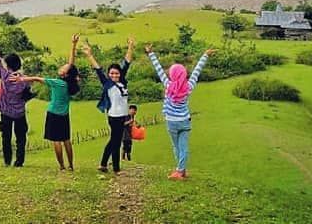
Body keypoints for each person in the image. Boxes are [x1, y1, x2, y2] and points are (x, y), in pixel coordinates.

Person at [11, 34, 82, 171]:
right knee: (66, 140)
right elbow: (71, 64)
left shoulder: (57, 83)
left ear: (64, 74)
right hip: (65, 115)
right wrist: (73, 45)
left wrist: (22, 79)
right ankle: (71, 166)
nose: (62, 67)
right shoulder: (70, 83)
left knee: (56, 141)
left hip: (54, 114)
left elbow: (37, 78)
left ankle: (61, 166)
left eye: (63, 68)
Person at [145, 44, 215, 179]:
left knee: (176, 147)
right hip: (185, 121)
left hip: (172, 122)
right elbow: (197, 71)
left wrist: (151, 53)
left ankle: (180, 170)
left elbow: (158, 69)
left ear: (172, 75)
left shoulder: (168, 85)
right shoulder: (189, 86)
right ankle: (181, 170)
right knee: (184, 147)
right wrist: (205, 55)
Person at [81, 37, 135, 173]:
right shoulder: (107, 83)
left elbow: (127, 62)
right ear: (109, 74)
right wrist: (89, 55)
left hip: (123, 116)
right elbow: (98, 69)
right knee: (116, 142)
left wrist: (130, 46)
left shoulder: (123, 82)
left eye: (116, 73)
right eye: (112, 73)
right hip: (114, 116)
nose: (114, 75)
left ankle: (104, 164)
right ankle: (115, 168)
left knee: (114, 141)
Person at [0, 30, 30, 167]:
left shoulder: (5, 76)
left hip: (5, 112)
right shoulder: (24, 79)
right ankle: (19, 161)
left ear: (8, 65)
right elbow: (28, 93)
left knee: (6, 137)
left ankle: (7, 161)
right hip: (20, 113)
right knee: (21, 138)